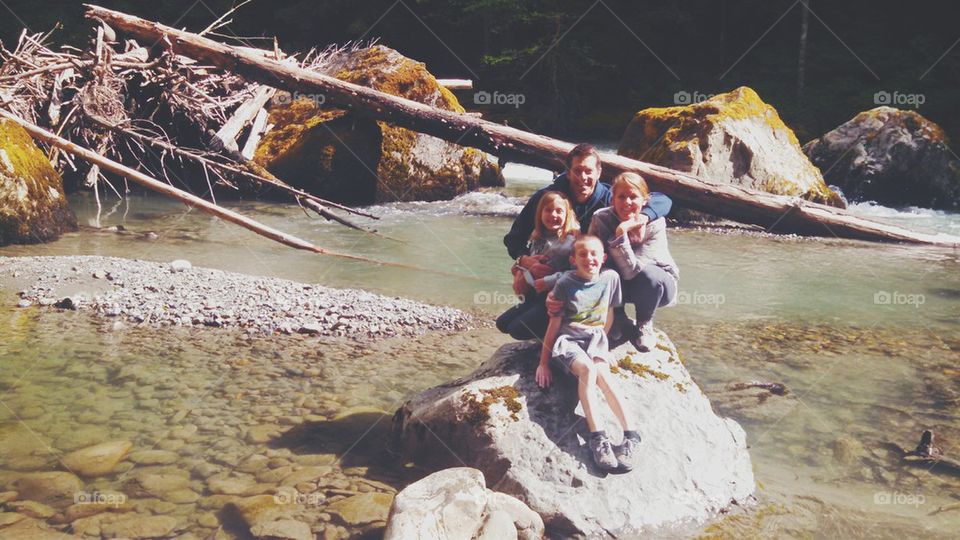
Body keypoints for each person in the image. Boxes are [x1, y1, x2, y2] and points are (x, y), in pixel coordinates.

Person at [500, 143, 672, 340]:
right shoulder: (548, 198)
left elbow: (663, 200)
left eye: (588, 171)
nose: (583, 178)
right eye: (577, 171)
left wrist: (644, 217)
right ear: (568, 172)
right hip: (552, 278)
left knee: (518, 329)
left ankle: (610, 319)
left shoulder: (609, 197)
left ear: (599, 172)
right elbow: (514, 238)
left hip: (587, 279)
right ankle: (550, 314)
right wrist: (523, 261)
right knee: (504, 324)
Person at [537, 235, 641, 472]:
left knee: (604, 375)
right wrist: (543, 363)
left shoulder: (611, 278)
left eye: (594, 254)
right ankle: (598, 438)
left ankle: (631, 435)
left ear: (603, 258)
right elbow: (554, 324)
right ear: (573, 260)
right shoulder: (565, 283)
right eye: (582, 254)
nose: (589, 258)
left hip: (595, 339)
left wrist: (604, 345)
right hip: (569, 340)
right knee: (588, 369)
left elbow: (609, 314)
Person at [589, 172, 679, 351]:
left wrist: (621, 232)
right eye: (621, 197)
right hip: (622, 283)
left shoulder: (656, 224)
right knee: (603, 271)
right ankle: (618, 317)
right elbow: (591, 257)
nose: (627, 202)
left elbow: (632, 270)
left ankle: (644, 322)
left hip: (656, 286)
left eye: (633, 197)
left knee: (648, 274)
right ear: (612, 199)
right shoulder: (601, 218)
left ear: (645, 200)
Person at [496, 192, 579, 338]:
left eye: (559, 211)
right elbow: (522, 270)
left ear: (567, 215)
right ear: (540, 214)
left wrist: (549, 281)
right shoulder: (538, 238)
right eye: (548, 210)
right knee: (502, 323)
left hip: (556, 300)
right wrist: (521, 266)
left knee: (517, 330)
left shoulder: (570, 243)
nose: (553, 215)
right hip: (534, 296)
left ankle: (556, 333)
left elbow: (577, 275)